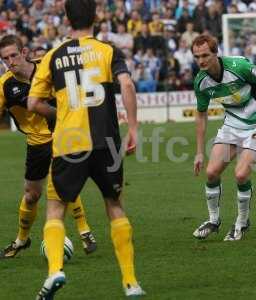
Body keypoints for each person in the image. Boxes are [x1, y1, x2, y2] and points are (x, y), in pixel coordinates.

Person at [28, 0, 145, 299]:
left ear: (67, 18)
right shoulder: (108, 51)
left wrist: (60, 114)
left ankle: (55, 270)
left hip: (68, 142)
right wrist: (133, 128)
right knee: (114, 204)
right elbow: (127, 85)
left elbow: (33, 104)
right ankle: (131, 282)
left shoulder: (52, 56)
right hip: (106, 141)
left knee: (55, 209)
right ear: (96, 16)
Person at [0, 34, 97, 259]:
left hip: (62, 135)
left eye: (14, 55)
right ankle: (21, 240)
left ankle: (85, 231)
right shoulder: (5, 86)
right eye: (5, 58)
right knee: (32, 195)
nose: (10, 61)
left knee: (62, 182)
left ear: (24, 53)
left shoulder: (46, 67)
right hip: (36, 144)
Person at [191, 34, 256, 241]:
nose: (201, 60)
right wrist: (199, 153)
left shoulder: (239, 67)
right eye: (196, 57)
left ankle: (242, 221)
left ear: (216, 53)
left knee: (240, 175)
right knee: (211, 172)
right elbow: (201, 115)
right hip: (232, 125)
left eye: (205, 55)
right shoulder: (201, 82)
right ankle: (214, 220)